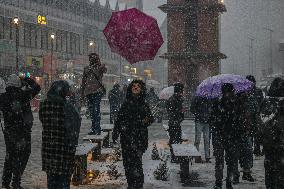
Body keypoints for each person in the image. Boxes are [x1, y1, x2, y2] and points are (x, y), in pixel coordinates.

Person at [0, 74, 40, 189]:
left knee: (10, 156)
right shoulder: (23, 95)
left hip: (8, 130)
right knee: (22, 155)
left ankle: (5, 182)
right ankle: (16, 182)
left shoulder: (3, 97)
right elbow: (37, 87)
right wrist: (26, 79)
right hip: (22, 130)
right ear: (19, 84)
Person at [39, 80, 81, 189]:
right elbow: (75, 126)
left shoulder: (44, 105)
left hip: (48, 149)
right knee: (63, 181)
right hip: (63, 150)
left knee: (52, 179)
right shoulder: (67, 107)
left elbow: (43, 121)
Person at [112, 80, 154, 189]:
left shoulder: (143, 104)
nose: (135, 88)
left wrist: (141, 122)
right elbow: (119, 119)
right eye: (134, 86)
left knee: (136, 163)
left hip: (139, 138)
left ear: (141, 89)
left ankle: (138, 185)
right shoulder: (126, 104)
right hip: (126, 138)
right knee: (127, 164)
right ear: (130, 89)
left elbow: (150, 119)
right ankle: (131, 184)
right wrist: (116, 132)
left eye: (138, 86)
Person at [210, 83, 242, 189]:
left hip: (225, 135)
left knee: (227, 161)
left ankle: (224, 182)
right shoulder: (233, 103)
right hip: (227, 135)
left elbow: (213, 119)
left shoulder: (232, 103)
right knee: (226, 161)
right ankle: (223, 182)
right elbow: (238, 120)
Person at [258, 77, 284, 189]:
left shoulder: (266, 103)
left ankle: (270, 185)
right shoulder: (281, 103)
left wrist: (259, 140)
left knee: (269, 169)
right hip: (281, 143)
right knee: (281, 170)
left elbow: (260, 123)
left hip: (269, 143)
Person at [81, 53, 107, 135]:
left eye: (93, 58)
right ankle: (94, 128)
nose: (91, 60)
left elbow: (104, 70)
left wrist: (100, 64)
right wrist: (82, 93)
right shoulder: (86, 69)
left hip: (96, 92)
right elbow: (83, 82)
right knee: (92, 111)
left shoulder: (99, 68)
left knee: (95, 110)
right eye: (90, 58)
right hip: (89, 92)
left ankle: (97, 129)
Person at [245, 75, 264, 157]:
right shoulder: (258, 91)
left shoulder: (245, 91)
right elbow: (261, 102)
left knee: (249, 134)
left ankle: (250, 149)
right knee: (256, 134)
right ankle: (256, 150)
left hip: (249, 115)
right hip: (255, 115)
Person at [166, 82, 184, 163]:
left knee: (176, 140)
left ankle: (175, 156)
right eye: (181, 91)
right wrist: (180, 111)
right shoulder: (173, 99)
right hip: (174, 123)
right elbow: (172, 112)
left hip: (175, 122)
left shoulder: (176, 99)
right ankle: (174, 156)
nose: (182, 93)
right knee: (174, 140)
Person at [190, 96, 212, 163]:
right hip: (201, 121)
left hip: (205, 121)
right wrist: (199, 114)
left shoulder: (207, 99)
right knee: (199, 139)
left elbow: (192, 109)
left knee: (206, 139)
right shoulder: (198, 98)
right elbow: (192, 109)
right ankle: (199, 156)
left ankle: (206, 156)